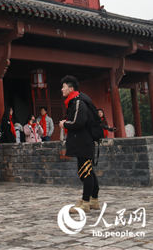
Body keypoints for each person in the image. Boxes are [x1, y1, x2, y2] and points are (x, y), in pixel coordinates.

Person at [59, 75, 100, 214]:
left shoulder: (78, 102)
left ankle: (85, 202)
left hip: (83, 142)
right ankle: (94, 200)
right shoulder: (76, 101)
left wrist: (64, 123)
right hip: (83, 142)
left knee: (85, 173)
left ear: (71, 88)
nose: (62, 89)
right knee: (88, 171)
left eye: (64, 87)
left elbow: (78, 122)